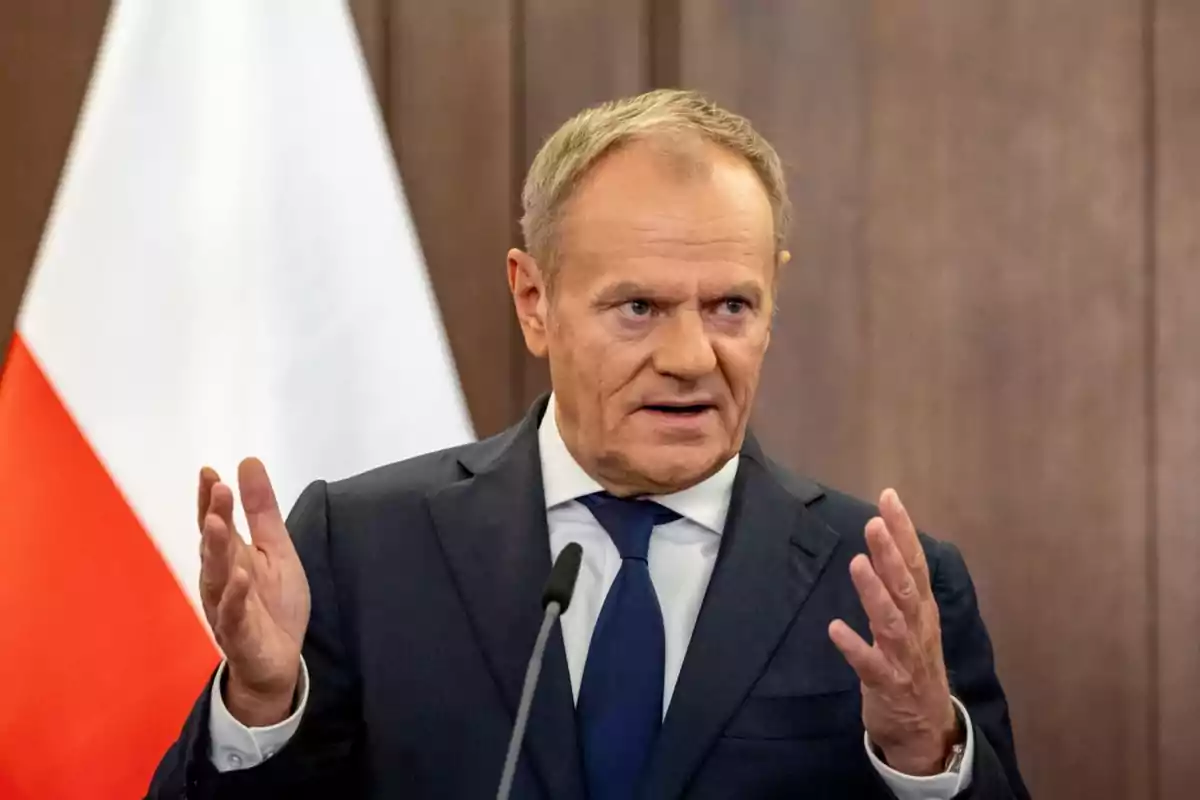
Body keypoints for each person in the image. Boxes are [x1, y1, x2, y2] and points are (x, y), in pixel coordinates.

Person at [148, 90, 1028, 799]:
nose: (690, 359)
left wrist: (921, 751)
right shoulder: (364, 548)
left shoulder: (884, 584)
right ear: (534, 301)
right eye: (638, 307)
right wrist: (260, 704)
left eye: (731, 306)